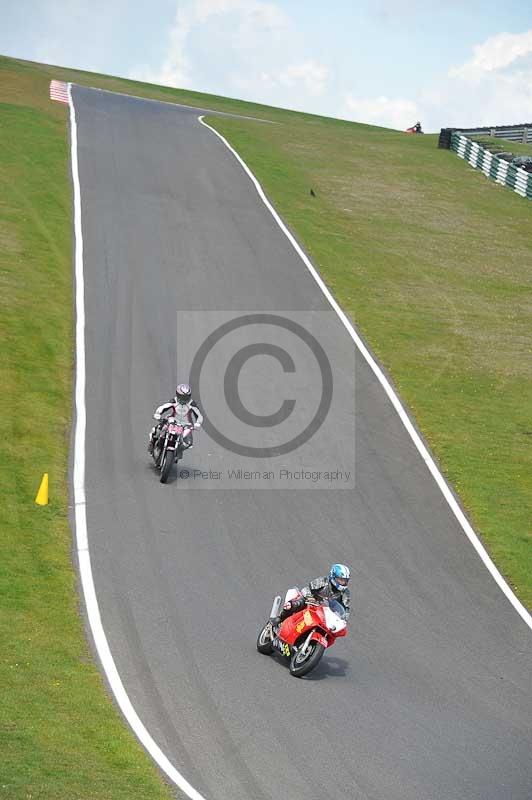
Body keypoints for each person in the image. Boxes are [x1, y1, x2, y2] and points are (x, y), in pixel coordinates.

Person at [272, 564, 351, 626]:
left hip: (326, 613)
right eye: (341, 580)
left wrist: (343, 620)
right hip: (310, 602)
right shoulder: (323, 581)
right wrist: (310, 599)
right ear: (333, 576)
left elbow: (346, 609)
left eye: (345, 581)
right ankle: (280, 618)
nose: (343, 583)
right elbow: (308, 589)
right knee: (294, 605)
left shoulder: (345, 593)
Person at [148, 383, 203, 454]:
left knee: (189, 443)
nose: (184, 399)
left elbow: (199, 415)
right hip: (172, 421)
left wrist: (198, 423)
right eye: (182, 397)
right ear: (177, 394)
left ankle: (178, 452)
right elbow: (164, 407)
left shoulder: (192, 404)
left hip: (186, 425)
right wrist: (158, 413)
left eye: (186, 397)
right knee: (157, 430)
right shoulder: (174, 401)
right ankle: (152, 443)